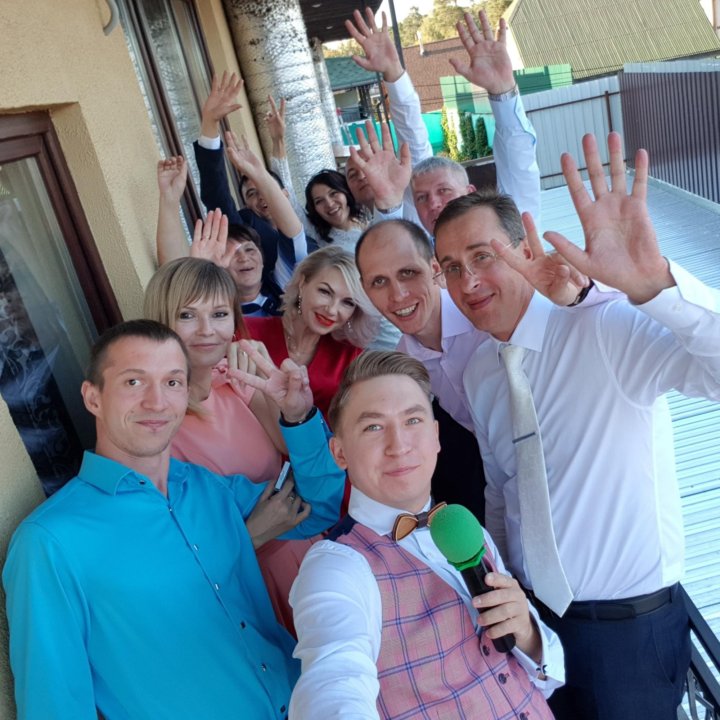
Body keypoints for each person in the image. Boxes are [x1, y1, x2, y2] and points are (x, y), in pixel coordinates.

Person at [433, 131, 720, 719]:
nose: (468, 282)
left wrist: (654, 287)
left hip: (630, 636)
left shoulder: (602, 324)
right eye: (452, 268)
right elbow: (502, 490)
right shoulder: (482, 373)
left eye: (483, 256)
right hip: (537, 629)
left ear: (524, 247)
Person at [2, 319, 346, 720]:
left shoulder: (208, 488)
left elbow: (318, 507)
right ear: (93, 398)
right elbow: (54, 706)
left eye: (172, 382)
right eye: (134, 382)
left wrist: (299, 416)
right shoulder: (49, 542)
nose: (156, 402)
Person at [289, 351, 564, 718]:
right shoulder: (336, 566)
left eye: (413, 420)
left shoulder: (464, 526)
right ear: (339, 453)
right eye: (373, 427)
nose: (399, 445)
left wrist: (528, 633)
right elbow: (333, 681)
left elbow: (546, 674)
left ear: (435, 436)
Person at [143, 257, 316, 631]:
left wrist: (285, 399)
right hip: (246, 583)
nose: (207, 330)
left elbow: (296, 453)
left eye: (219, 314)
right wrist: (252, 533)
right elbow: (169, 550)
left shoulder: (234, 380)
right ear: (161, 322)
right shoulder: (152, 423)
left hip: (307, 552)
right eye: (187, 316)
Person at [353, 11, 540, 235]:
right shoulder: (418, 250)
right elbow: (413, 141)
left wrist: (503, 90)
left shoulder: (505, 235)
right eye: (421, 198)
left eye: (444, 190)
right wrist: (388, 204)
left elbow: (519, 166)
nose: (433, 203)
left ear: (469, 192)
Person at [193, 72, 307, 288]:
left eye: (264, 189)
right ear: (246, 203)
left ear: (284, 195)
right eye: (252, 193)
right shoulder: (247, 231)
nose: (261, 197)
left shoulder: (305, 223)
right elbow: (217, 193)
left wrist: (278, 141)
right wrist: (209, 124)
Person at [245, 246, 378, 422]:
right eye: (325, 292)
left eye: (348, 303)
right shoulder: (247, 331)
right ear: (302, 284)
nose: (332, 310)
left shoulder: (353, 358)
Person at [157, 160, 284, 317]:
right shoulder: (212, 313)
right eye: (230, 254)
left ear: (263, 258)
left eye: (249, 249)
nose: (244, 258)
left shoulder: (287, 292)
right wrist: (169, 199)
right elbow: (173, 278)